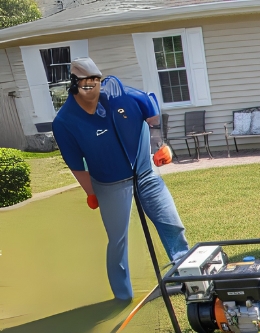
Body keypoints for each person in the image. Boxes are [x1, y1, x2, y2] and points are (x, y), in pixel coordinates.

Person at [51, 57, 189, 302]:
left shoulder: (121, 94)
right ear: (74, 85)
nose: (93, 89)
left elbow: (151, 108)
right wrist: (90, 192)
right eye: (86, 84)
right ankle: (123, 295)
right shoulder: (65, 122)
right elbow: (76, 164)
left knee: (171, 223)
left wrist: (159, 144)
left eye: (96, 82)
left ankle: (187, 278)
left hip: (145, 173)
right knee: (118, 240)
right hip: (109, 183)